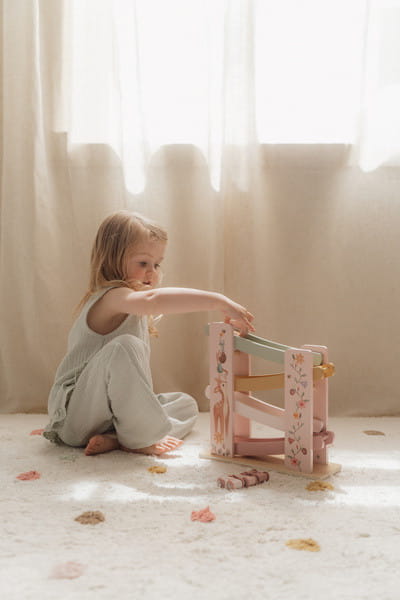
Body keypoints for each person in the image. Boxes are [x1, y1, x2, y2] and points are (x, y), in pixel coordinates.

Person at [43, 210, 255, 457]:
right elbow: (152, 301)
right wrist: (218, 301)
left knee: (185, 404)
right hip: (75, 418)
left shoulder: (131, 304)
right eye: (143, 263)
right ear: (113, 259)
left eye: (157, 264)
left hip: (105, 416)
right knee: (125, 345)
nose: (152, 271)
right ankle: (139, 438)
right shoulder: (112, 297)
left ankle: (118, 437)